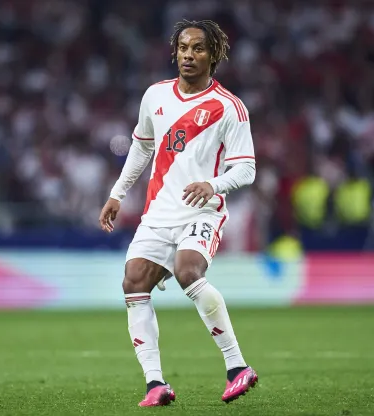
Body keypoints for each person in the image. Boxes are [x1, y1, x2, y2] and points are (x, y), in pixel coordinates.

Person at [98, 19, 259, 407]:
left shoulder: (229, 108)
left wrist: (213, 184)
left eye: (198, 48)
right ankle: (155, 383)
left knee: (189, 271)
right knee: (133, 281)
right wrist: (117, 194)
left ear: (214, 54)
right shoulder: (155, 95)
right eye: (183, 47)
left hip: (202, 211)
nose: (189, 54)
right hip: (158, 213)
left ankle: (237, 367)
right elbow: (140, 148)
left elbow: (247, 168)